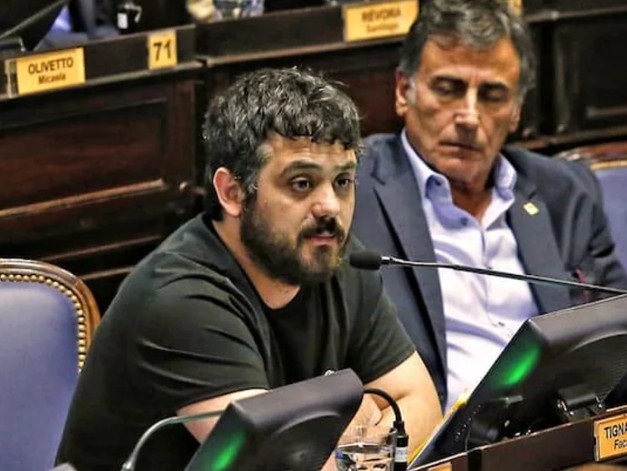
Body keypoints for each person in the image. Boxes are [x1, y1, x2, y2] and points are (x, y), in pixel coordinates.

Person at [56, 68, 441, 471]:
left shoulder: (332, 258)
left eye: (342, 182)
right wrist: (362, 429)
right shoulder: (180, 299)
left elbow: (422, 406)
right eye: (302, 183)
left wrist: (343, 448)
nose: (330, 207)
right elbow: (279, 465)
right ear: (233, 192)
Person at [352, 0, 627, 410]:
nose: (469, 116)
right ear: (403, 91)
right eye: (448, 89)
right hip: (432, 436)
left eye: (492, 95)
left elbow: (625, 343)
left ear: (516, 110)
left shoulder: (563, 193)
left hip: (556, 431)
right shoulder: (352, 190)